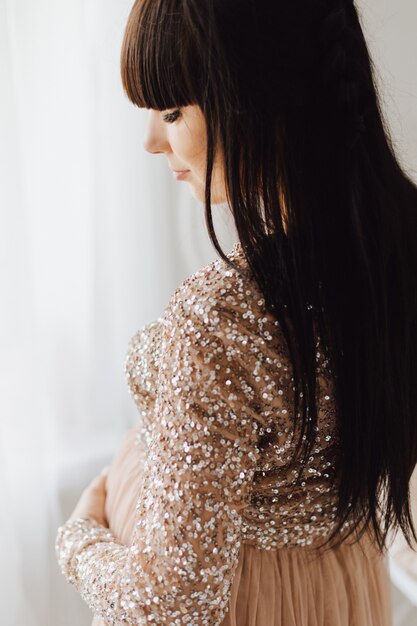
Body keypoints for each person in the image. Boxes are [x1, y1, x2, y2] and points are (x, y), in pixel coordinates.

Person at [55, 1, 417, 624]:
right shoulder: (396, 244)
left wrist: (80, 539)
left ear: (258, 99)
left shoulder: (221, 316)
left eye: (172, 110)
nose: (149, 140)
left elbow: (172, 604)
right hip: (338, 592)